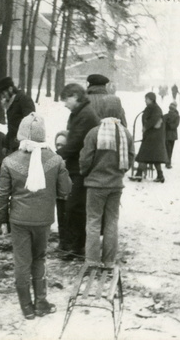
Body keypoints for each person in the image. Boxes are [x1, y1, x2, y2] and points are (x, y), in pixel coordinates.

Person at [0, 113, 72, 320]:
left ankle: (26, 307)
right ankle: (41, 303)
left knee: (22, 262)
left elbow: (2, 194)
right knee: (39, 258)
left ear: (21, 136)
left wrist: (2, 219)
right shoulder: (55, 160)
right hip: (44, 220)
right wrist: (59, 166)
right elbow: (65, 190)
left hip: (19, 220)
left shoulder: (10, 162)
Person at [79, 108, 135, 268]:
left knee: (93, 222)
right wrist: (120, 172)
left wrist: (86, 173)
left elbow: (85, 158)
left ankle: (91, 261)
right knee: (112, 222)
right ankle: (109, 261)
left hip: (96, 185)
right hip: (116, 185)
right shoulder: (126, 134)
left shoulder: (94, 133)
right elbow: (131, 158)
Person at [57, 84, 100, 259]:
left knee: (75, 206)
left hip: (82, 168)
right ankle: (74, 245)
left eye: (66, 100)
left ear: (75, 96)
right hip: (77, 166)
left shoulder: (85, 115)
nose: (65, 104)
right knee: (75, 206)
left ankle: (76, 247)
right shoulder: (79, 113)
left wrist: (56, 156)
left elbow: (75, 143)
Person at [129, 92, 168, 183]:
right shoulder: (153, 108)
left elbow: (154, 119)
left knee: (144, 155)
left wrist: (146, 127)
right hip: (153, 137)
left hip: (153, 137)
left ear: (151, 99)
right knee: (153, 157)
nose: (145, 101)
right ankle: (160, 176)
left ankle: (139, 174)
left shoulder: (155, 109)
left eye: (146, 99)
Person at [0, 77, 36, 154]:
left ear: (10, 89)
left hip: (24, 147)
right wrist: (6, 145)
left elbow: (31, 123)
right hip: (14, 146)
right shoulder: (10, 103)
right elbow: (12, 128)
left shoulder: (24, 99)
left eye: (3, 93)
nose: (2, 97)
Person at [54, 130, 69, 251]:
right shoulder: (54, 159)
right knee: (61, 219)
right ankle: (63, 241)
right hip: (59, 195)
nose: (59, 148)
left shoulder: (72, 159)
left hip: (70, 195)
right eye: (57, 145)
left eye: (62, 145)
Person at [163, 101, 180, 169]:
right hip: (172, 136)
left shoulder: (165, 116)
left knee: (167, 149)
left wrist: (167, 124)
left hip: (166, 135)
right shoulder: (177, 116)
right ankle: (168, 163)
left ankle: (167, 162)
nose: (171, 110)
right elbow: (175, 126)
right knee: (170, 149)